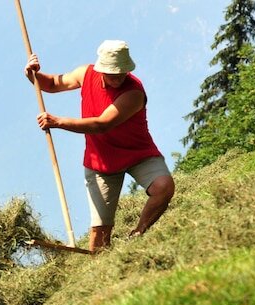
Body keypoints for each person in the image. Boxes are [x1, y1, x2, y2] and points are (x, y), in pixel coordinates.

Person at [24, 40, 175, 252]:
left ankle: (138, 234)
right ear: (101, 69)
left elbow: (102, 124)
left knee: (164, 187)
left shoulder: (134, 92)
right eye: (112, 74)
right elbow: (52, 84)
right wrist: (33, 74)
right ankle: (103, 264)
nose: (118, 78)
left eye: (122, 72)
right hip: (101, 162)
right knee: (99, 238)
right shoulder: (85, 74)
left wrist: (58, 122)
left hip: (138, 153)